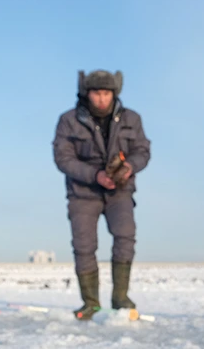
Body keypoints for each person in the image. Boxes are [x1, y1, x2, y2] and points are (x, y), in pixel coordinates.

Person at [53, 70, 151, 320]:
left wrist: (128, 167)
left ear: (114, 93)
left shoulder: (132, 119)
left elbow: (142, 150)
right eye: (96, 93)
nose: (101, 98)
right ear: (87, 93)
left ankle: (121, 298)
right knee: (84, 246)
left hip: (120, 192)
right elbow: (63, 158)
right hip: (83, 192)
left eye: (106, 93)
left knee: (125, 237)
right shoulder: (68, 120)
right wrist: (95, 175)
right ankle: (90, 303)